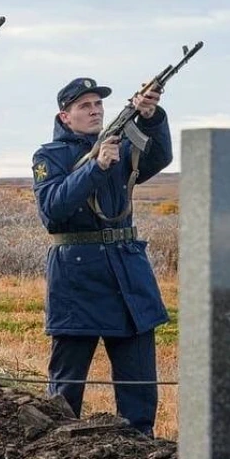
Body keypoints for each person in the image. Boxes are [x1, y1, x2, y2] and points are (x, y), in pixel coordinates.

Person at [31, 76, 171, 436]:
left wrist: (150, 116)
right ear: (65, 117)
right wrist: (96, 168)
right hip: (77, 277)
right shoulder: (49, 156)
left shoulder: (121, 146)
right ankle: (55, 451)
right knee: (66, 389)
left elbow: (159, 156)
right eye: (84, 106)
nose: (94, 112)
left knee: (138, 384)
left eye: (98, 105)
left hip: (127, 271)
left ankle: (142, 452)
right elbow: (53, 209)